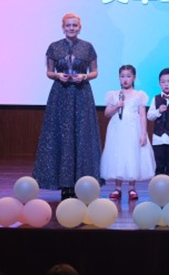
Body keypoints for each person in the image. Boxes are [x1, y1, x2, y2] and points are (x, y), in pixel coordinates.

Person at [33, 13, 102, 200]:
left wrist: (84, 76)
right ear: (63, 27)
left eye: (75, 25)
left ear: (80, 27)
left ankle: (82, 184)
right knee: (62, 135)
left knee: (81, 136)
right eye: (68, 25)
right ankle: (64, 186)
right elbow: (49, 71)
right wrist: (57, 76)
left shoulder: (88, 47)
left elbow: (95, 72)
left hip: (81, 94)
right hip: (61, 94)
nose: (71, 28)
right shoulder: (54, 47)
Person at [100, 64, 156, 200]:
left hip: (133, 129)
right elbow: (107, 113)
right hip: (117, 130)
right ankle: (117, 188)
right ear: (119, 78)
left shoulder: (139, 95)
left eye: (128, 76)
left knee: (132, 155)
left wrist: (143, 133)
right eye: (122, 76)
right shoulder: (114, 95)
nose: (125, 79)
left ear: (134, 78)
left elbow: (142, 115)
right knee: (118, 155)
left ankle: (132, 188)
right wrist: (116, 106)